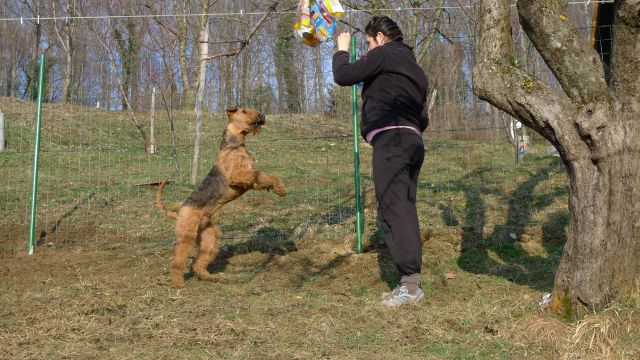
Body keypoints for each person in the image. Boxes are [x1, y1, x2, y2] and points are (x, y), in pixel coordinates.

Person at [332, 16, 429, 307]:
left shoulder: (385, 54)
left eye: (368, 43)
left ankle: (411, 286)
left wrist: (342, 49)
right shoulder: (415, 69)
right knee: (404, 208)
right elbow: (423, 118)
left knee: (394, 210)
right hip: (412, 141)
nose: (368, 49)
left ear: (381, 38)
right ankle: (409, 283)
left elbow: (344, 75)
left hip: (392, 143)